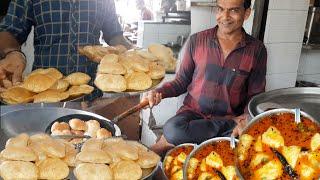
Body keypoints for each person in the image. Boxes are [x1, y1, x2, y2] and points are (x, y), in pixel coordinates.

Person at [143, 0, 267, 154]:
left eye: (233, 10)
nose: (225, 16)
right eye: (220, 9)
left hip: (229, 118)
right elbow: (181, 82)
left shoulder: (257, 50)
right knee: (173, 129)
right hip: (193, 116)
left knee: (252, 141)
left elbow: (256, 95)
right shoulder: (197, 41)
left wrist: (247, 117)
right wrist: (158, 92)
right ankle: (197, 138)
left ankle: (171, 141)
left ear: (246, 13)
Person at [0, 0, 131, 99]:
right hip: (45, 95)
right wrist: (12, 52)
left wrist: (136, 54)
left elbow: (115, 36)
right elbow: (9, 30)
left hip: (91, 94)